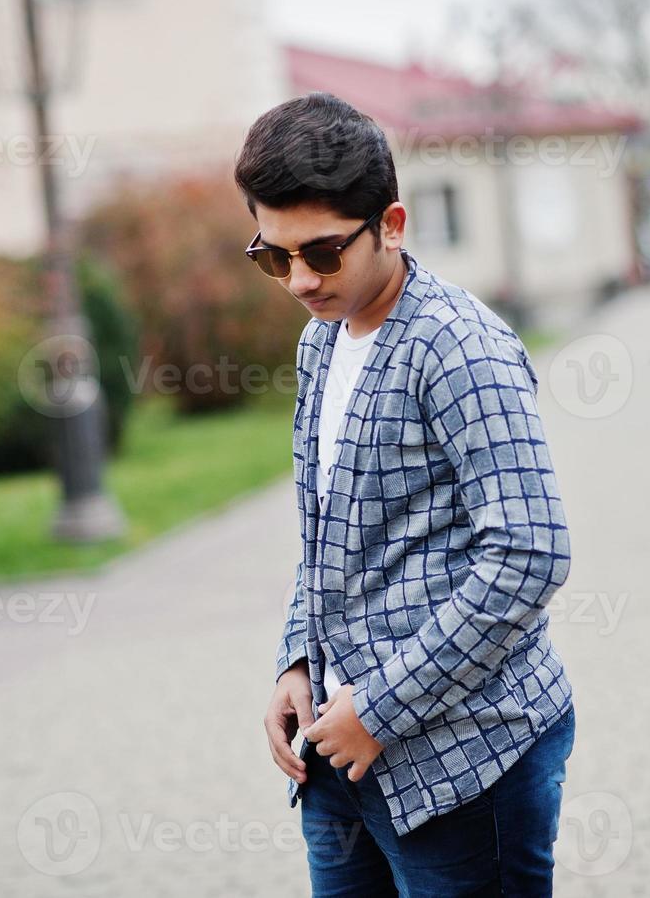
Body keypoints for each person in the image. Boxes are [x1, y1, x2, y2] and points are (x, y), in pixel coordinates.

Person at [241, 92, 576, 897]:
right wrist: (296, 657)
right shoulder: (321, 337)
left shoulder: (459, 348)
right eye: (271, 256)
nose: (296, 281)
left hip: (465, 764)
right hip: (338, 759)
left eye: (321, 253)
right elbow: (326, 529)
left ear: (391, 224)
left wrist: (381, 709)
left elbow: (530, 554)